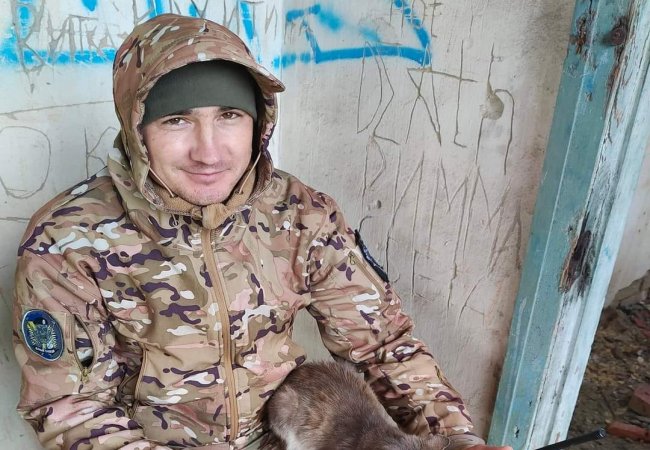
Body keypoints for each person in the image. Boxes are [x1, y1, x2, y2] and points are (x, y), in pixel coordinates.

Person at [12, 13, 512, 450]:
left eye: (229, 116)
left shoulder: (301, 214)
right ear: (136, 128)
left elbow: (384, 346)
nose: (209, 152)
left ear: (259, 122)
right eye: (177, 121)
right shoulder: (66, 241)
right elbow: (70, 407)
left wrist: (457, 441)